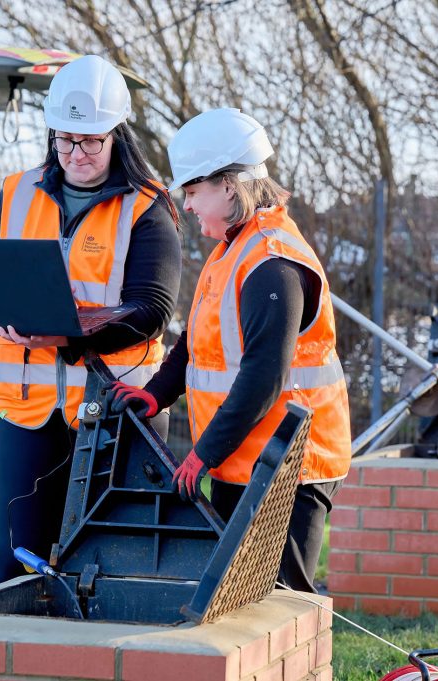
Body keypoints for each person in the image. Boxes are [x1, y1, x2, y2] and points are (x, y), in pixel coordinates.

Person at [108, 108, 351, 593]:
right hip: (245, 458)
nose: (190, 206)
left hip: (289, 469)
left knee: (284, 606)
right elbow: (196, 345)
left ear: (228, 185)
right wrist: (156, 394)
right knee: (239, 601)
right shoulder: (230, 252)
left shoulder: (271, 263)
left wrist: (202, 454)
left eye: (194, 192)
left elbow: (263, 375)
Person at [0, 55, 181, 584]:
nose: (76, 153)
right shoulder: (17, 192)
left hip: (114, 413)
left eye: (91, 140)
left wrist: (65, 332)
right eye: (65, 139)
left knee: (107, 567)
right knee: (18, 567)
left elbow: (151, 312)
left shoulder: (147, 208)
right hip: (24, 414)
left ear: (117, 134)